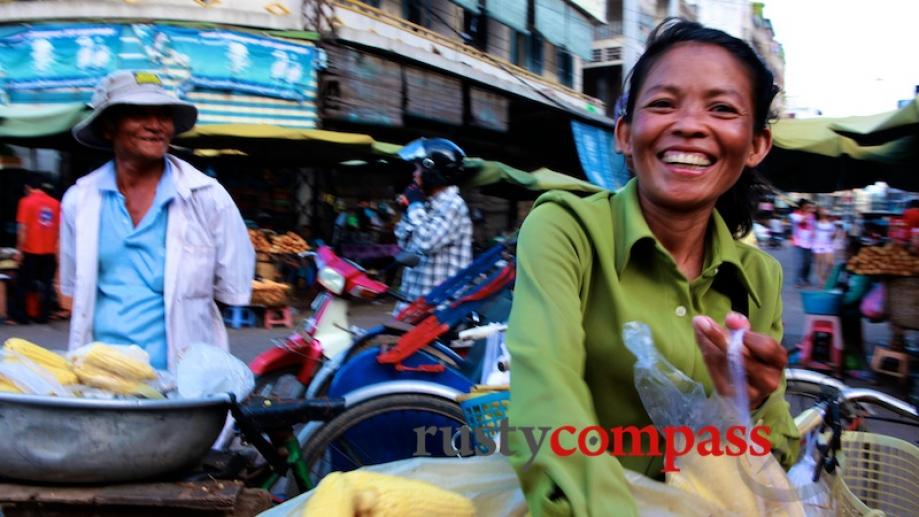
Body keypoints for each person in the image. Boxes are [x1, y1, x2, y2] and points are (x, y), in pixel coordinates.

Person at [506, 19, 797, 515]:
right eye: (663, 103)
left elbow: (778, 452)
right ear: (624, 133)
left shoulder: (759, 278)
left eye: (722, 108)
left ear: (755, 145)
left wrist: (746, 405)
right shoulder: (565, 230)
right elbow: (547, 398)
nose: (688, 124)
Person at [61, 70, 254, 371]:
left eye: (163, 115)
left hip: (182, 378)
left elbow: (233, 287)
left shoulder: (207, 197)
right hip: (101, 375)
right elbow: (72, 294)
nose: (155, 126)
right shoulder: (80, 200)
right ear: (108, 128)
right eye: (139, 114)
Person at [392, 137, 473, 312]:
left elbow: (426, 242)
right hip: (415, 302)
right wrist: (408, 211)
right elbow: (404, 245)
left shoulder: (454, 205)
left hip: (439, 308)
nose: (414, 175)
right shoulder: (425, 204)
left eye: (418, 169)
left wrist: (414, 206)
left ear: (431, 171)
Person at [9, 175, 61, 324]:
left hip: (31, 250)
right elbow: (58, 230)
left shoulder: (25, 202)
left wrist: (19, 251)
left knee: (23, 285)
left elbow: (22, 230)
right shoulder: (55, 203)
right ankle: (43, 316)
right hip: (49, 251)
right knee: (46, 285)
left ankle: (22, 316)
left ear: (28, 187)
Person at [789, 199, 815, 287]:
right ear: (802, 207)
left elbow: (813, 226)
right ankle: (797, 281)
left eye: (810, 207)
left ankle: (805, 279)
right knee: (800, 263)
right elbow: (802, 221)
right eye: (807, 207)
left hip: (809, 243)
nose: (810, 208)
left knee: (808, 263)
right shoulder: (794, 215)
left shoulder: (812, 216)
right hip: (798, 243)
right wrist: (808, 212)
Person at [812, 208, 837, 286]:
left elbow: (833, 236)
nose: (825, 213)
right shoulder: (816, 223)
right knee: (820, 263)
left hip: (828, 245)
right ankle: (821, 280)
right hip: (818, 244)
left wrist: (833, 235)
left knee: (831, 263)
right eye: (823, 211)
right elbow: (812, 234)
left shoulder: (831, 224)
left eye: (826, 211)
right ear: (820, 213)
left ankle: (824, 278)